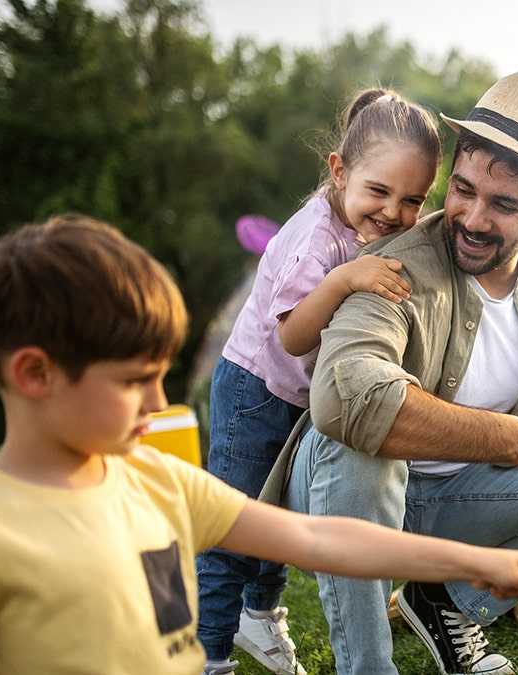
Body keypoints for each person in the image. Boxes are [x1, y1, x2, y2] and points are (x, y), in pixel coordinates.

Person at [0, 216, 518, 675]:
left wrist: (474, 563)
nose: (160, 403)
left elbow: (320, 538)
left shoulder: (160, 484)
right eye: (136, 380)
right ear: (35, 374)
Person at [263, 72, 518, 675]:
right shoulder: (390, 263)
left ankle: (447, 600)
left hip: (460, 505)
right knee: (357, 443)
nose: (471, 218)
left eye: (503, 205)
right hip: (344, 492)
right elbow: (347, 399)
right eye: (463, 190)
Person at [196, 88, 442, 675]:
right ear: (340, 170)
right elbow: (293, 337)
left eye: (413, 200)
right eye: (379, 191)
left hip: (300, 395)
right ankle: (206, 654)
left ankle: (260, 615)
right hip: (254, 390)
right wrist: (346, 280)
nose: (392, 212)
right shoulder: (315, 239)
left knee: (275, 512)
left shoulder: (363, 222)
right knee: (235, 522)